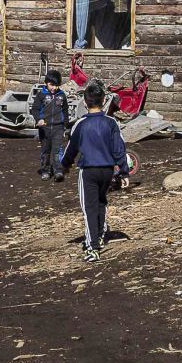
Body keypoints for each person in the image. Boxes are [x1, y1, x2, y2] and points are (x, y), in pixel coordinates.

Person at [61, 82, 129, 262]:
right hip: (107, 170)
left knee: (89, 208)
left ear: (84, 102)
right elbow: (119, 149)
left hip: (88, 170)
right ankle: (99, 235)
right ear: (104, 101)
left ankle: (92, 247)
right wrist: (123, 171)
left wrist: (64, 166)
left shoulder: (81, 124)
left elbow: (71, 149)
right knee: (101, 201)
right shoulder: (111, 122)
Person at [32, 70, 70, 181]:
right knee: (46, 150)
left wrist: (65, 125)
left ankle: (58, 170)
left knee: (57, 150)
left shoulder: (61, 95)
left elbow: (65, 110)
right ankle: (46, 170)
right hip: (45, 128)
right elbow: (35, 109)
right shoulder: (41, 95)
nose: (54, 88)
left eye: (56, 85)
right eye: (51, 85)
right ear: (46, 83)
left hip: (58, 127)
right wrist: (38, 119)